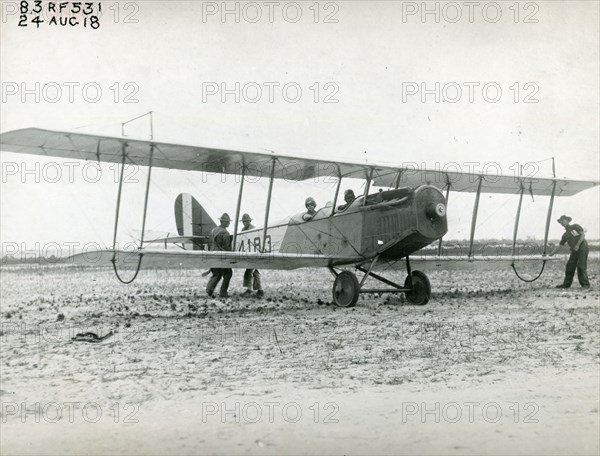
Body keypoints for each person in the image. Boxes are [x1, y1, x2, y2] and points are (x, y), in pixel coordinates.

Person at [548, 215, 590, 289]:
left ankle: (585, 284)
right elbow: (560, 246)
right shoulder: (565, 235)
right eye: (560, 222)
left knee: (580, 265)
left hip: (582, 247)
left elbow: (582, 235)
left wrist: (577, 245)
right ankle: (566, 284)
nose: (562, 223)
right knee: (569, 265)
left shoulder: (575, 226)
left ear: (567, 220)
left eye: (563, 220)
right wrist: (551, 254)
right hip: (574, 250)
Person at [206, 213, 233, 298]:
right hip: (221, 256)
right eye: (227, 222)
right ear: (223, 222)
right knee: (228, 273)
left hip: (212, 254)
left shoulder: (213, 230)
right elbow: (226, 246)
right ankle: (223, 292)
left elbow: (209, 243)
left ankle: (209, 289)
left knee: (216, 274)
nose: (229, 223)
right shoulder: (225, 232)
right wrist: (231, 256)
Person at [241, 213, 264, 298]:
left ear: (249, 221)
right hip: (247, 252)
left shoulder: (254, 229)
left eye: (246, 221)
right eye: (244, 221)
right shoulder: (243, 229)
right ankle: (259, 290)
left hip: (254, 253)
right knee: (255, 272)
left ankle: (249, 290)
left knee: (249, 271)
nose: (245, 223)